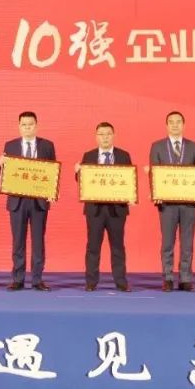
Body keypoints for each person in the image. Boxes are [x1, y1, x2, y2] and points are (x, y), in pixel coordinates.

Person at [0, 111, 57, 292]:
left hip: (39, 201)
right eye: (24, 125)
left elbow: (52, 172)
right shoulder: (10, 145)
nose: (27, 128)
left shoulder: (47, 145)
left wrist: (51, 191)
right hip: (17, 201)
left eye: (30, 124)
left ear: (36, 125)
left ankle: (37, 279)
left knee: (38, 241)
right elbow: (6, 174)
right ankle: (18, 279)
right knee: (18, 241)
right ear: (19, 126)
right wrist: (1, 165)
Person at [148, 111, 195, 292]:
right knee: (167, 242)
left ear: (183, 125)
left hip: (189, 203)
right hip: (167, 203)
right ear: (166, 125)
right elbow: (154, 173)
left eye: (178, 122)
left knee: (187, 242)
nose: (175, 125)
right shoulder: (157, 146)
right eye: (171, 122)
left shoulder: (193, 146)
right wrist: (156, 193)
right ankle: (168, 277)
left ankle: (186, 278)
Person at [75, 122, 132, 292]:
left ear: (113, 136)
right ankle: (91, 282)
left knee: (118, 246)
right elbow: (83, 182)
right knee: (93, 246)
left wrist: (131, 195)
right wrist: (78, 172)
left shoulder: (123, 155)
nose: (105, 137)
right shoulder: (88, 155)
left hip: (117, 209)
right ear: (96, 137)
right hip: (95, 209)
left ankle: (121, 282)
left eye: (108, 134)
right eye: (101, 134)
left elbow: (129, 180)